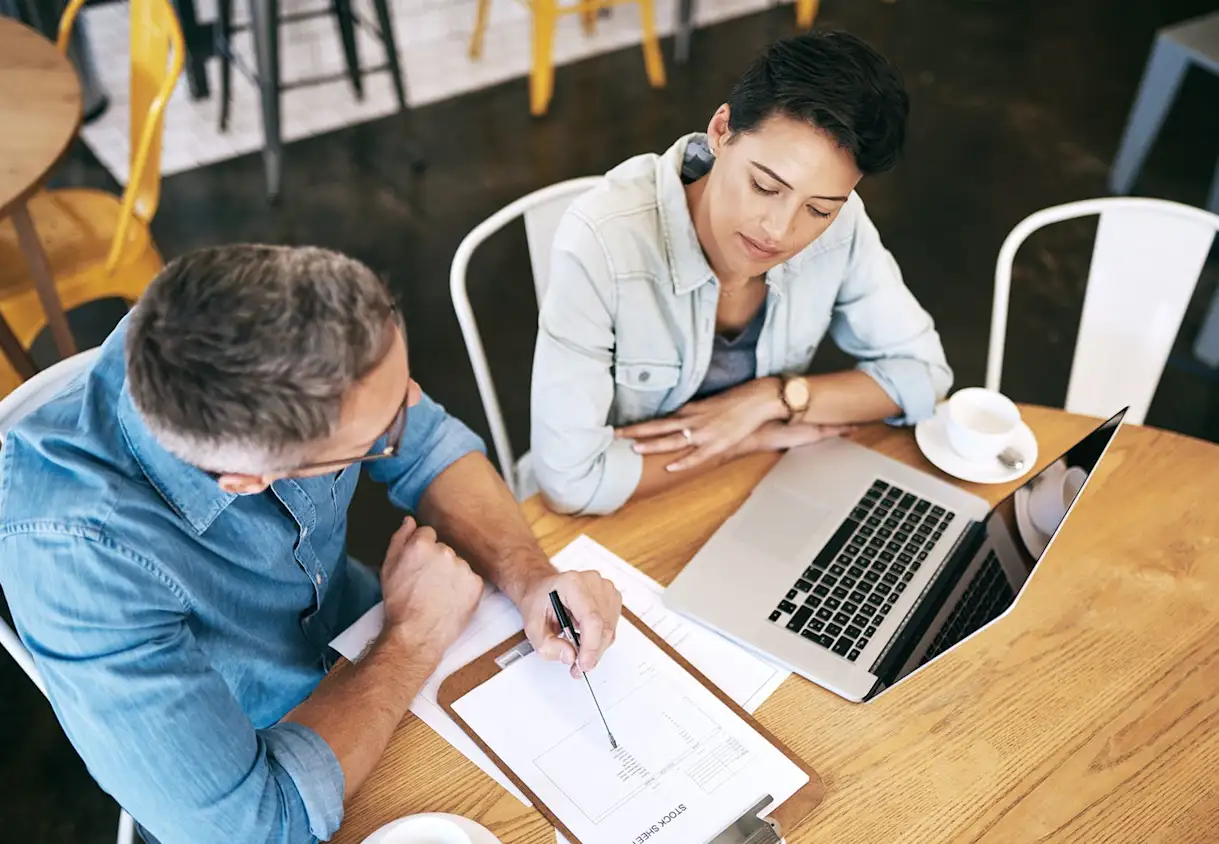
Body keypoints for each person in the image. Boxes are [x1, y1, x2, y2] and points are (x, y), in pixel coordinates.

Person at [0, 245, 622, 844]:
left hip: (377, 644)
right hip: (275, 752)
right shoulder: (73, 563)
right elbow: (252, 827)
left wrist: (530, 575)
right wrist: (411, 638)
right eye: (379, 439)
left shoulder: (268, 318)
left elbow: (427, 443)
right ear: (247, 481)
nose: (407, 420)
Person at [531, 31, 953, 516]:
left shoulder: (845, 227)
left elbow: (924, 375)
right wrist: (743, 440)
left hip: (750, 495)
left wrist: (773, 398)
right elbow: (570, 481)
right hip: (622, 516)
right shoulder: (602, 241)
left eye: (818, 210)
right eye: (764, 185)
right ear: (721, 130)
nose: (779, 231)